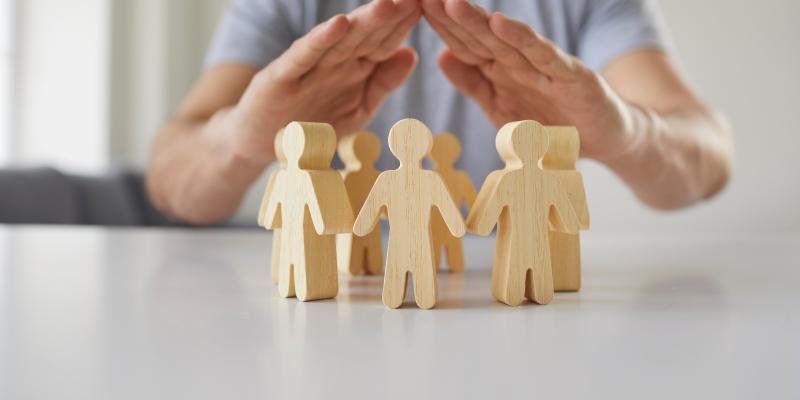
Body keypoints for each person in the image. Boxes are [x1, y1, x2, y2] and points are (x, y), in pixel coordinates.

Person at [147, 0, 733, 225]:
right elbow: (170, 179)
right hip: (339, 308)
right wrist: (242, 141)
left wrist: (625, 135)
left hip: (511, 321)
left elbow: (708, 159)